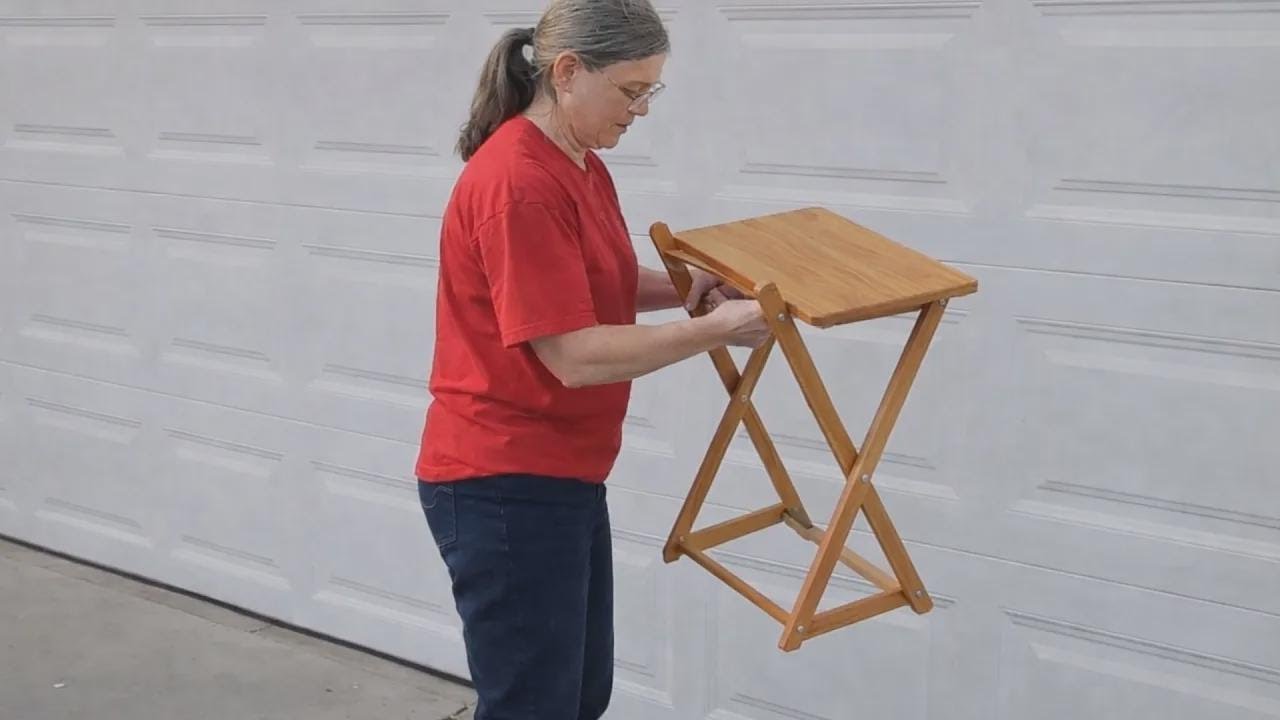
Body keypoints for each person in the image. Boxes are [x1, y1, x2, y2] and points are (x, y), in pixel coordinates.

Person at [415, 1, 769, 717]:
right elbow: (573, 355)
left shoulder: (578, 161)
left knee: (577, 696)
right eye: (632, 90)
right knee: (533, 705)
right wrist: (716, 329)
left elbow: (591, 280)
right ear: (570, 72)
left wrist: (690, 287)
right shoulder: (518, 183)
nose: (641, 110)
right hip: (502, 482)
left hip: (561, 476)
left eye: (651, 91)